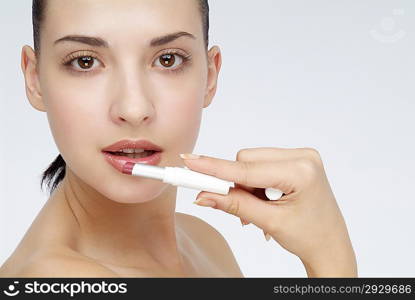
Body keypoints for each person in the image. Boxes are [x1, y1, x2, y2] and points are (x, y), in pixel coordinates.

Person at [0, 0, 357, 277]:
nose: (134, 108)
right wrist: (331, 257)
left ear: (210, 75)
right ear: (34, 80)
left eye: (167, 59)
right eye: (85, 62)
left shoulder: (203, 242)